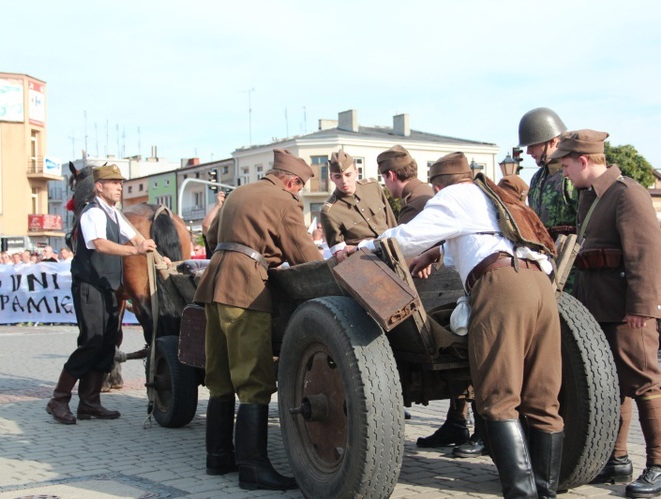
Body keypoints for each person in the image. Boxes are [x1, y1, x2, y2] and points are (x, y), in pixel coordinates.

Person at [350, 151, 563, 498]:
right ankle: (545, 491)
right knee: (542, 398)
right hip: (540, 284)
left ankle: (522, 494)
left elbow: (405, 239)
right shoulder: (496, 194)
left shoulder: (453, 196)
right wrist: (435, 253)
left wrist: (363, 246)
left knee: (498, 399)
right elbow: (472, 241)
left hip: (502, 287)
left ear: (437, 185)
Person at [553, 130, 661, 497]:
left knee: (644, 382)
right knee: (614, 385)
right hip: (601, 307)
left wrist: (641, 307)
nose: (564, 172)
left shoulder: (626, 193)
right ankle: (617, 459)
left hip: (626, 311)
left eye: (567, 164)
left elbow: (646, 254)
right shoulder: (593, 197)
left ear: (585, 160)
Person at [194, 149, 322, 491]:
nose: (297, 195)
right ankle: (252, 468)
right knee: (253, 379)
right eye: (299, 189)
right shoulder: (284, 200)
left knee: (219, 376)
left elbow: (210, 237)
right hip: (245, 290)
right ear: (292, 181)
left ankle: (218, 457)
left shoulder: (238, 193)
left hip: (213, 286)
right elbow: (305, 255)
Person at [377, 144, 475, 450]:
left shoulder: (420, 202)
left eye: (384, 179)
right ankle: (458, 422)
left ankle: (476, 428)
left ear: (391, 175)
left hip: (440, 297)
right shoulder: (428, 195)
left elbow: (406, 244)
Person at [46, 164, 159, 426]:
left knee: (108, 343)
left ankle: (90, 403)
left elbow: (134, 236)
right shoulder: (92, 213)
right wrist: (135, 252)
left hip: (109, 286)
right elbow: (99, 244)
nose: (119, 186)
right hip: (89, 285)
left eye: (121, 182)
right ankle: (59, 399)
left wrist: (152, 251)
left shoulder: (114, 214)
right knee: (91, 343)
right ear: (99, 186)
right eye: (114, 182)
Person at [321, 149, 397, 263]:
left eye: (348, 175)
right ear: (331, 177)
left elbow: (392, 223)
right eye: (338, 177)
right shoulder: (329, 211)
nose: (344, 181)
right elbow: (341, 255)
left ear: (357, 172)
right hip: (366, 263)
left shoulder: (373, 186)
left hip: (393, 252)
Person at [519, 107, 579, 241]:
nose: (528, 152)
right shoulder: (537, 179)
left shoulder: (574, 174)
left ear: (553, 141)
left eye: (533, 145)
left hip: (573, 254)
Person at [378, 144, 434, 224]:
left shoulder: (412, 206)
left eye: (384, 178)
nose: (385, 185)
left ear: (391, 175)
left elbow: (402, 236)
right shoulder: (427, 190)